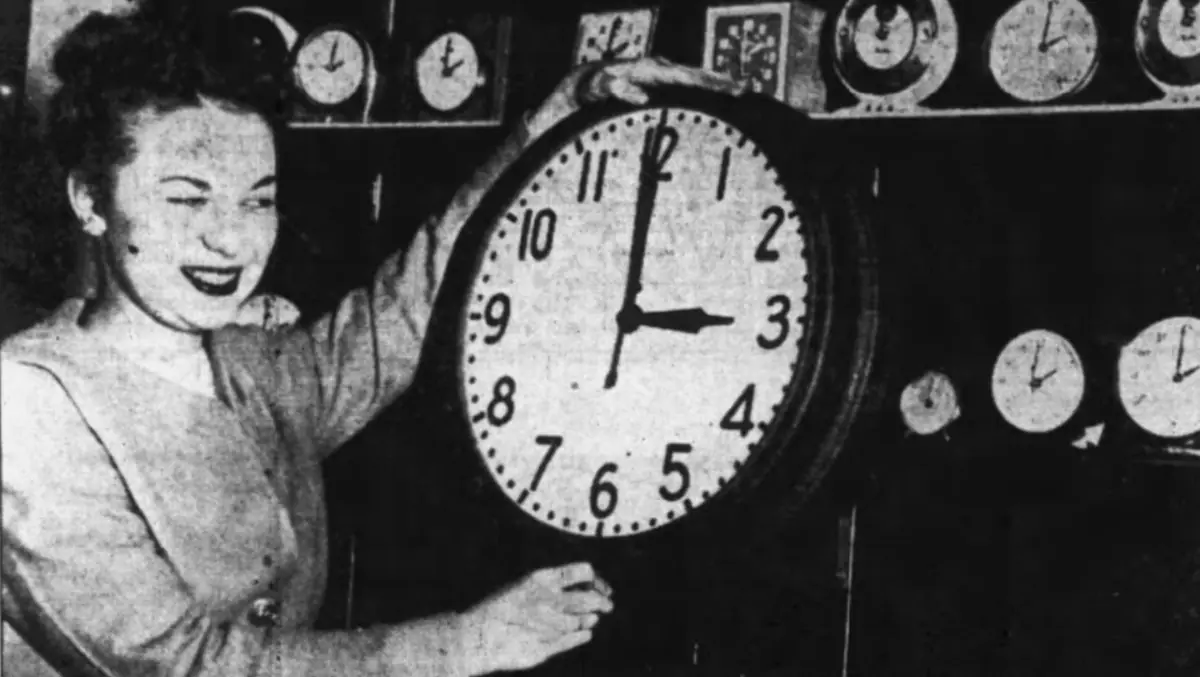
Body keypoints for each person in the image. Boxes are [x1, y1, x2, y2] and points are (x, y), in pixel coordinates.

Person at [0, 7, 745, 677]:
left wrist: (552, 120)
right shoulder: (30, 402)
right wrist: (465, 644)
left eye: (258, 200)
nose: (228, 238)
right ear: (90, 200)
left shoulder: (253, 365)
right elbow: (184, 665)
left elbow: (406, 305)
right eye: (187, 197)